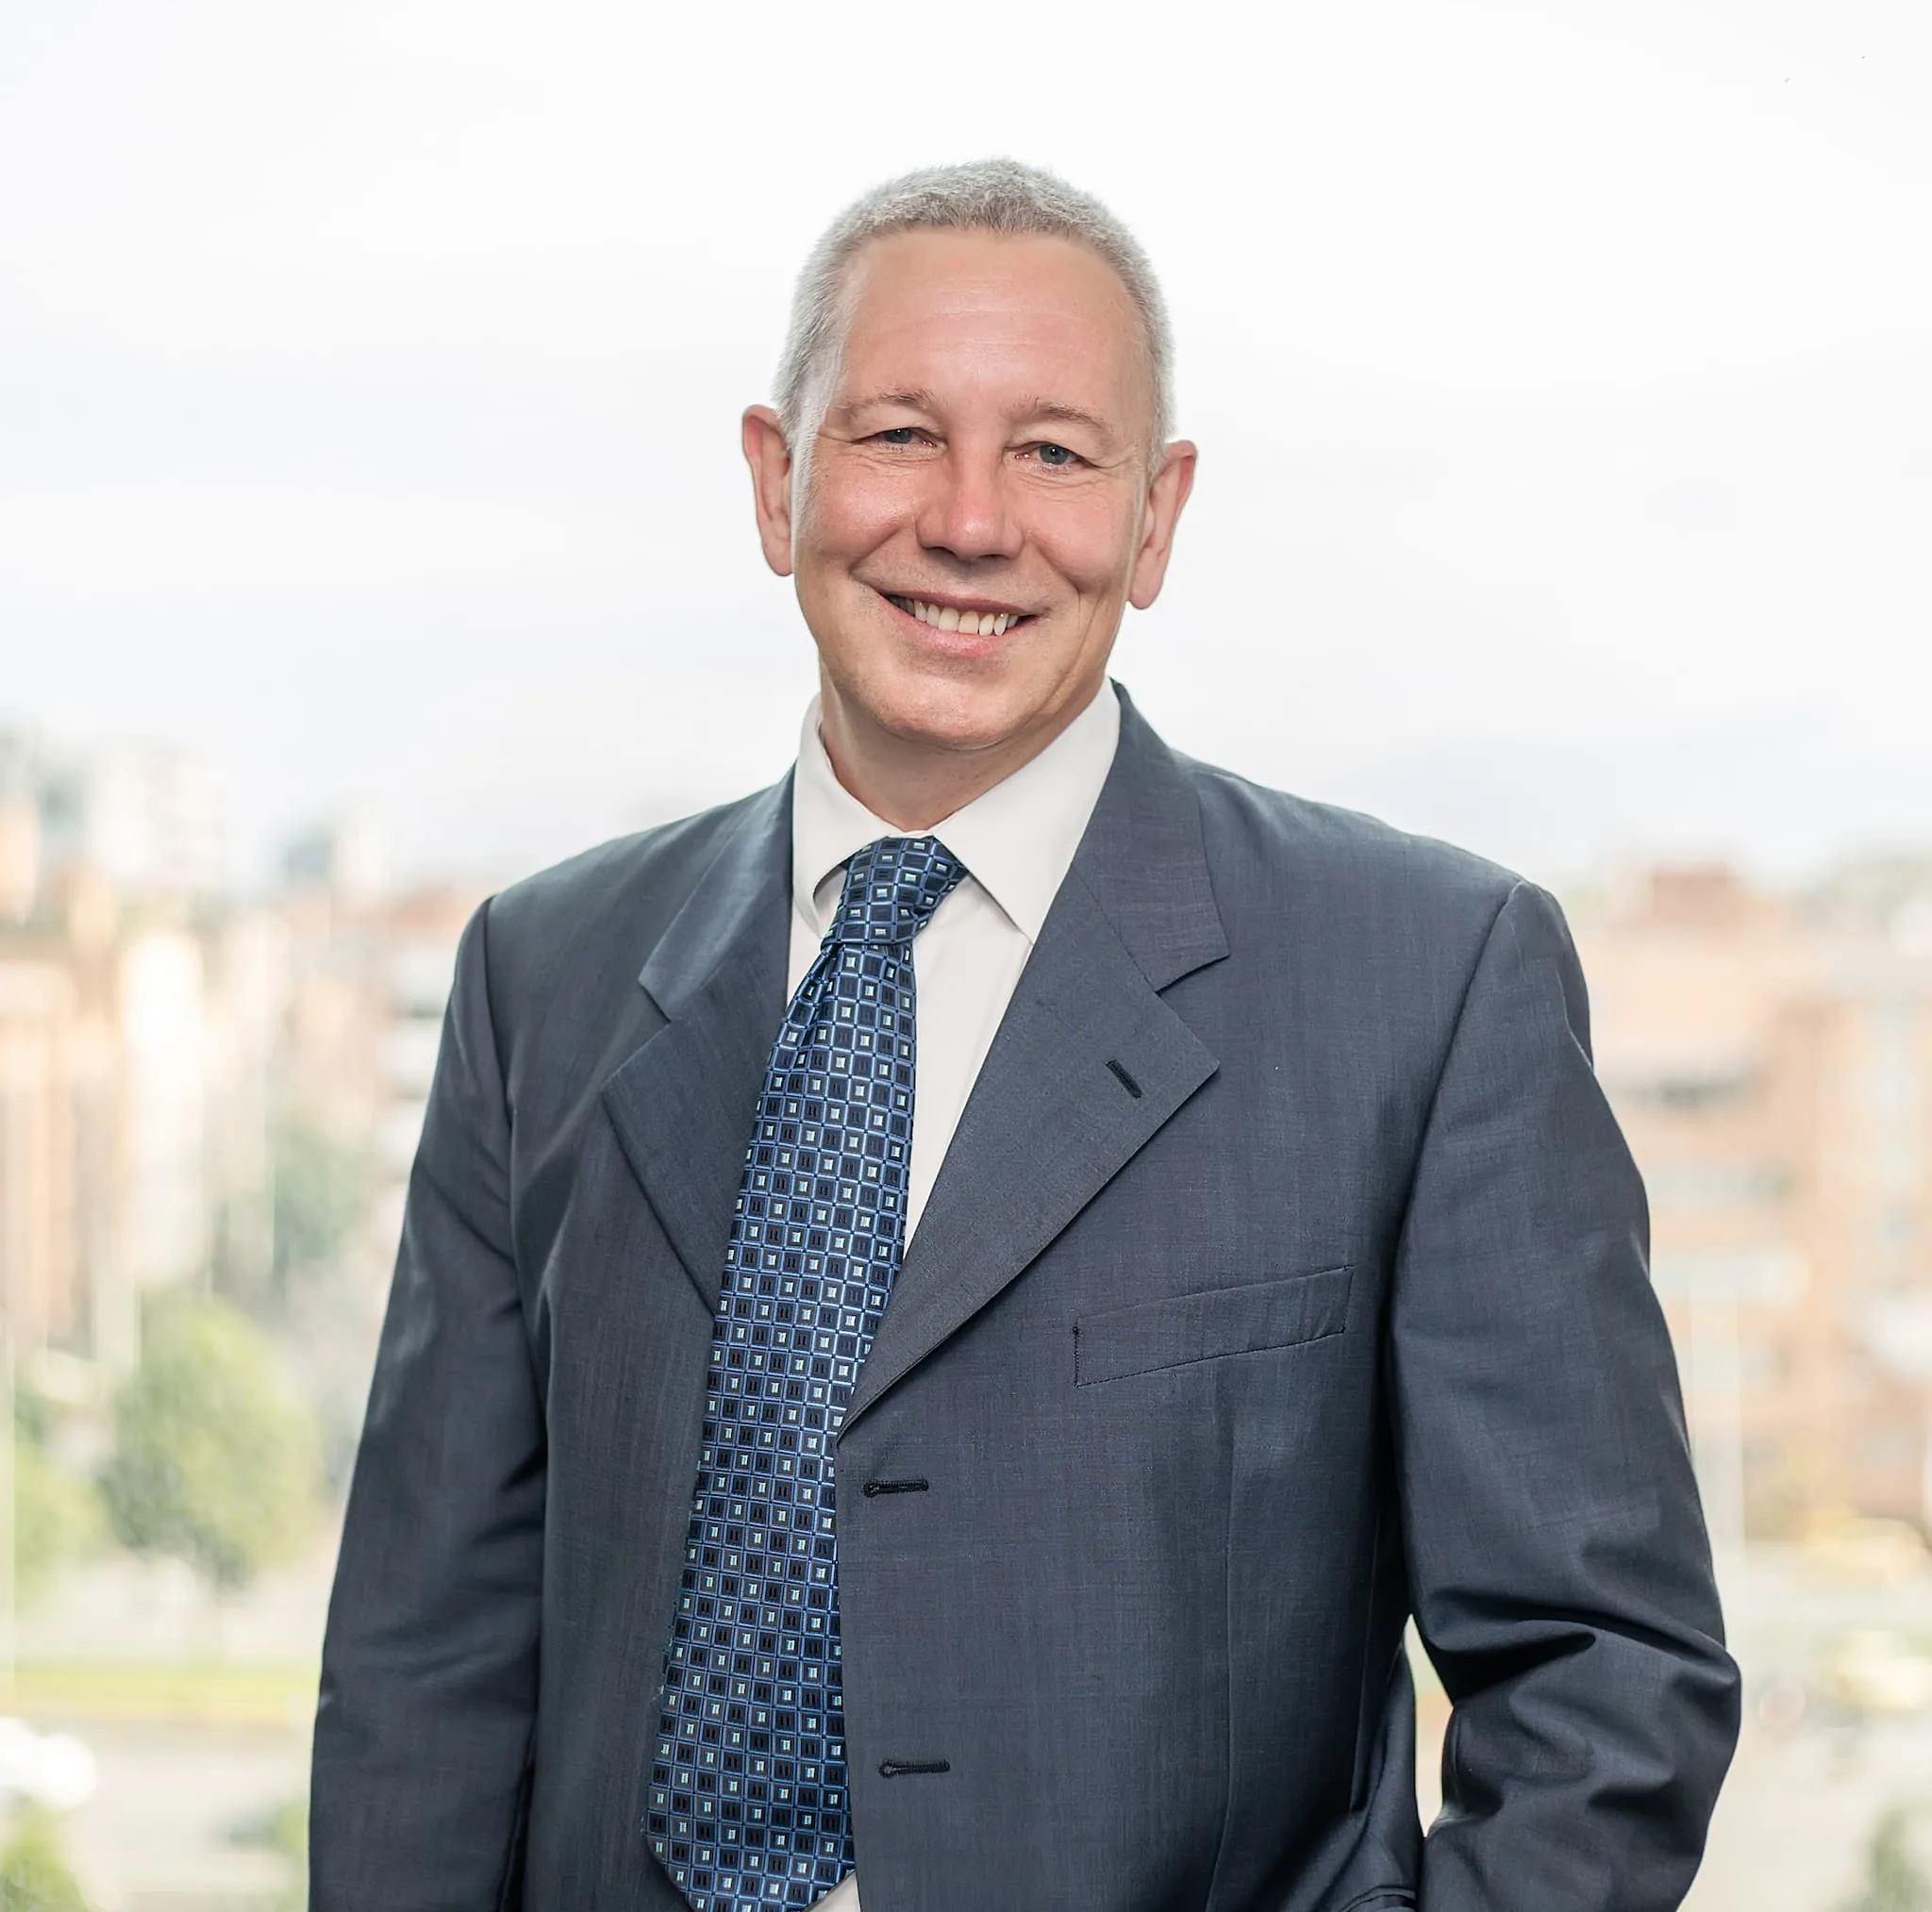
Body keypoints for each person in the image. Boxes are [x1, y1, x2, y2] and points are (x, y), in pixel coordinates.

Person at [310, 159, 1740, 1912]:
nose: (973, 522)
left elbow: (1606, 1679)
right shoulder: (544, 974)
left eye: (1057, 452)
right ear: (777, 482)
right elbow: (425, 1661)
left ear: (1156, 519)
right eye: (901, 434)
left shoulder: (1429, 979)